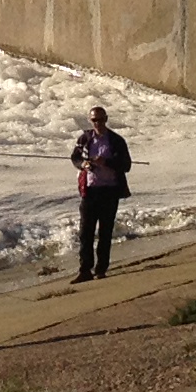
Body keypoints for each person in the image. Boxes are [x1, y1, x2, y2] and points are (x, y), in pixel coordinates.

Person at [71, 104, 131, 282]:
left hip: (109, 191)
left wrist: (107, 162)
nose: (97, 123)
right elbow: (75, 158)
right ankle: (84, 270)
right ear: (90, 121)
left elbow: (126, 165)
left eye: (101, 119)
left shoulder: (116, 141)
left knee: (105, 232)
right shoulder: (84, 139)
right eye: (94, 120)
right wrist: (84, 165)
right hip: (90, 191)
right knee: (85, 232)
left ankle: (101, 269)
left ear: (106, 119)